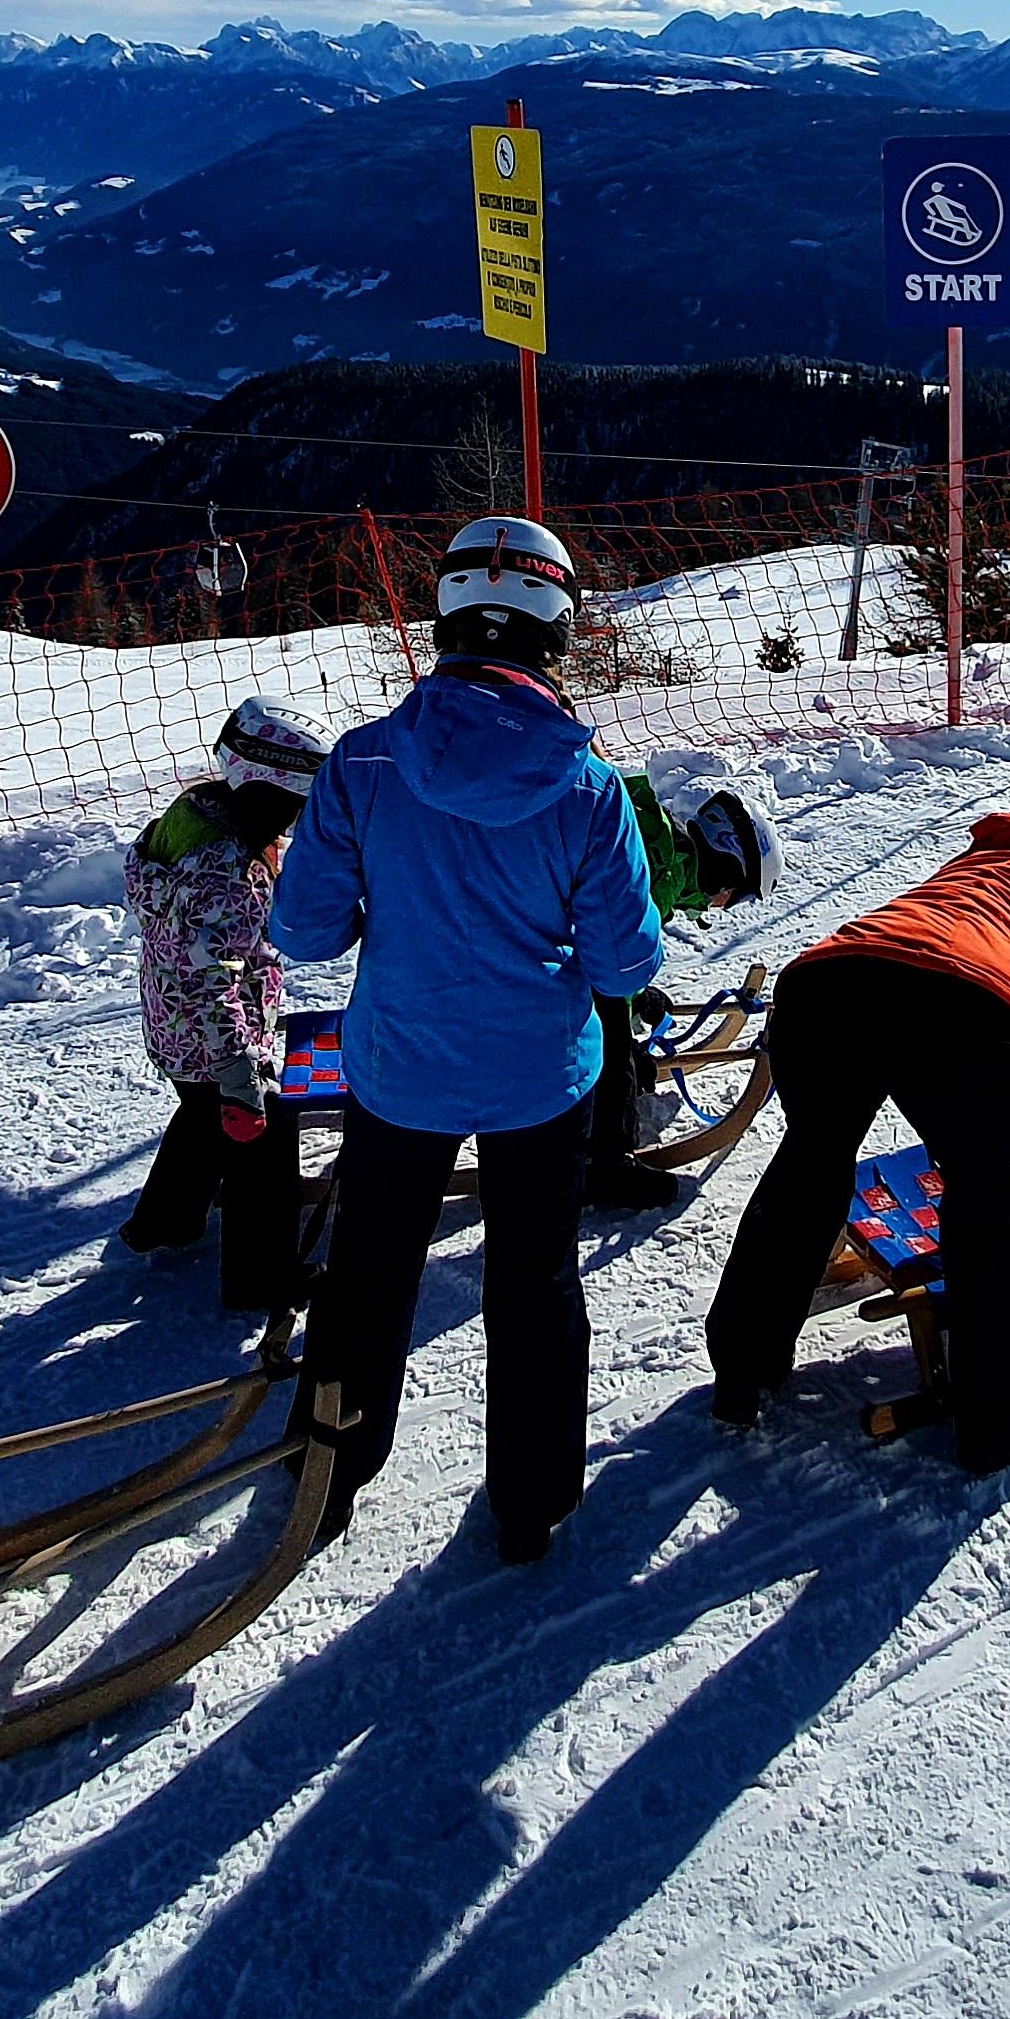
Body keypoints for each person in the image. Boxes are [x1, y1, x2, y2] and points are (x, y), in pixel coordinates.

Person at [269, 515, 665, 1562]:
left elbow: (302, 929)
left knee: (369, 1271)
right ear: (559, 628)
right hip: (543, 1077)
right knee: (535, 1282)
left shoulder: (361, 765)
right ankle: (531, 1504)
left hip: (399, 1067)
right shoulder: (590, 786)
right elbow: (627, 967)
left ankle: (330, 1472)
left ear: (444, 614)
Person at [699, 799, 1010, 1474]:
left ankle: (744, 1370)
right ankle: (1003, 1421)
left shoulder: (978, 860)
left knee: (812, 1161)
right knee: (986, 1199)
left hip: (824, 985)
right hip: (962, 1002)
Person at [118, 696, 335, 1312]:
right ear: (265, 792)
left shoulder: (196, 815)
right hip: (220, 1039)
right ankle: (262, 1278)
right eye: (294, 808)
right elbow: (209, 981)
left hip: (174, 1029)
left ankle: (163, 1222)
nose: (296, 823)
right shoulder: (226, 871)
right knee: (261, 1154)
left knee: (199, 1122)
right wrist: (241, 1072)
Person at [580, 772, 779, 1211]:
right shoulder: (659, 868)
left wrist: (639, 995)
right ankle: (608, 1163)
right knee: (610, 1040)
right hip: (558, 970)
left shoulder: (662, 850)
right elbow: (604, 955)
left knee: (622, 1041)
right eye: (739, 895)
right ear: (728, 869)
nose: (726, 905)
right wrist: (627, 1004)